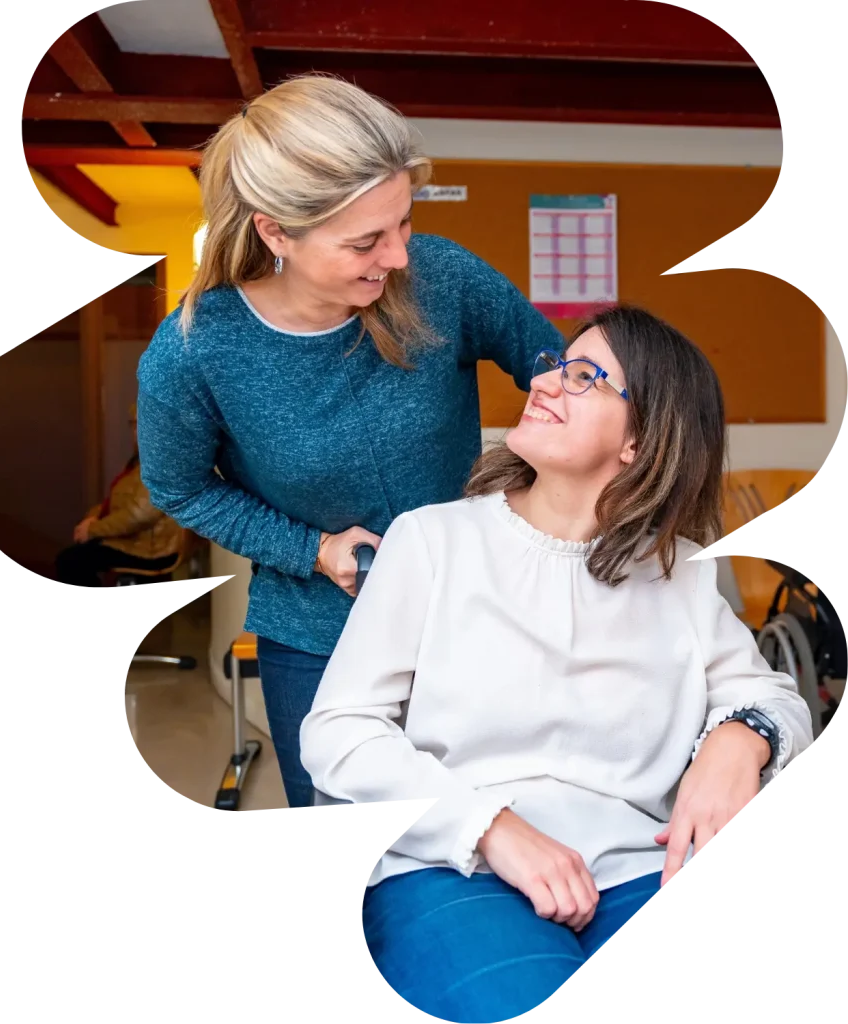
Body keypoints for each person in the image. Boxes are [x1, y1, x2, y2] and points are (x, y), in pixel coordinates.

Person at [298, 305, 816, 1024]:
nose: (544, 383)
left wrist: (743, 735)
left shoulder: (682, 574)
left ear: (640, 440)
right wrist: (491, 827)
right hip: (453, 866)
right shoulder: (433, 542)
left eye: (584, 377)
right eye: (554, 366)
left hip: (640, 866)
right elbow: (339, 731)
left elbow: (777, 699)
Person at [135, 73, 566, 809]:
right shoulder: (196, 352)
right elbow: (180, 487)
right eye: (366, 239)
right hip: (318, 641)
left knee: (486, 832)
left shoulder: (443, 277)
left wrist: (557, 489)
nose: (399, 256)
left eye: (404, 222)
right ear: (276, 232)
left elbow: (556, 371)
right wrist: (312, 549)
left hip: (474, 620)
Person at [56, 404, 181, 589]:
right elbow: (118, 500)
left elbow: (139, 515)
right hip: (138, 540)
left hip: (151, 549)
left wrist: (93, 530)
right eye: (135, 425)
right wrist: (93, 517)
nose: (137, 432)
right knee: (74, 557)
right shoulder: (141, 460)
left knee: (71, 561)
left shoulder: (164, 463)